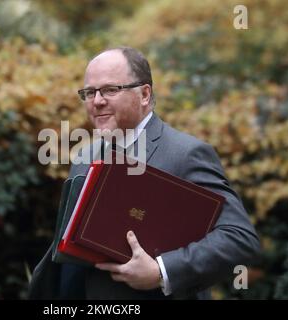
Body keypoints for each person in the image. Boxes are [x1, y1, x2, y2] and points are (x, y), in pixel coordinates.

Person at [28, 46, 261, 300]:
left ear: (144, 94)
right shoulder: (85, 156)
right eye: (89, 92)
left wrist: (161, 271)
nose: (97, 101)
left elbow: (240, 238)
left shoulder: (186, 154)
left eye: (110, 89)